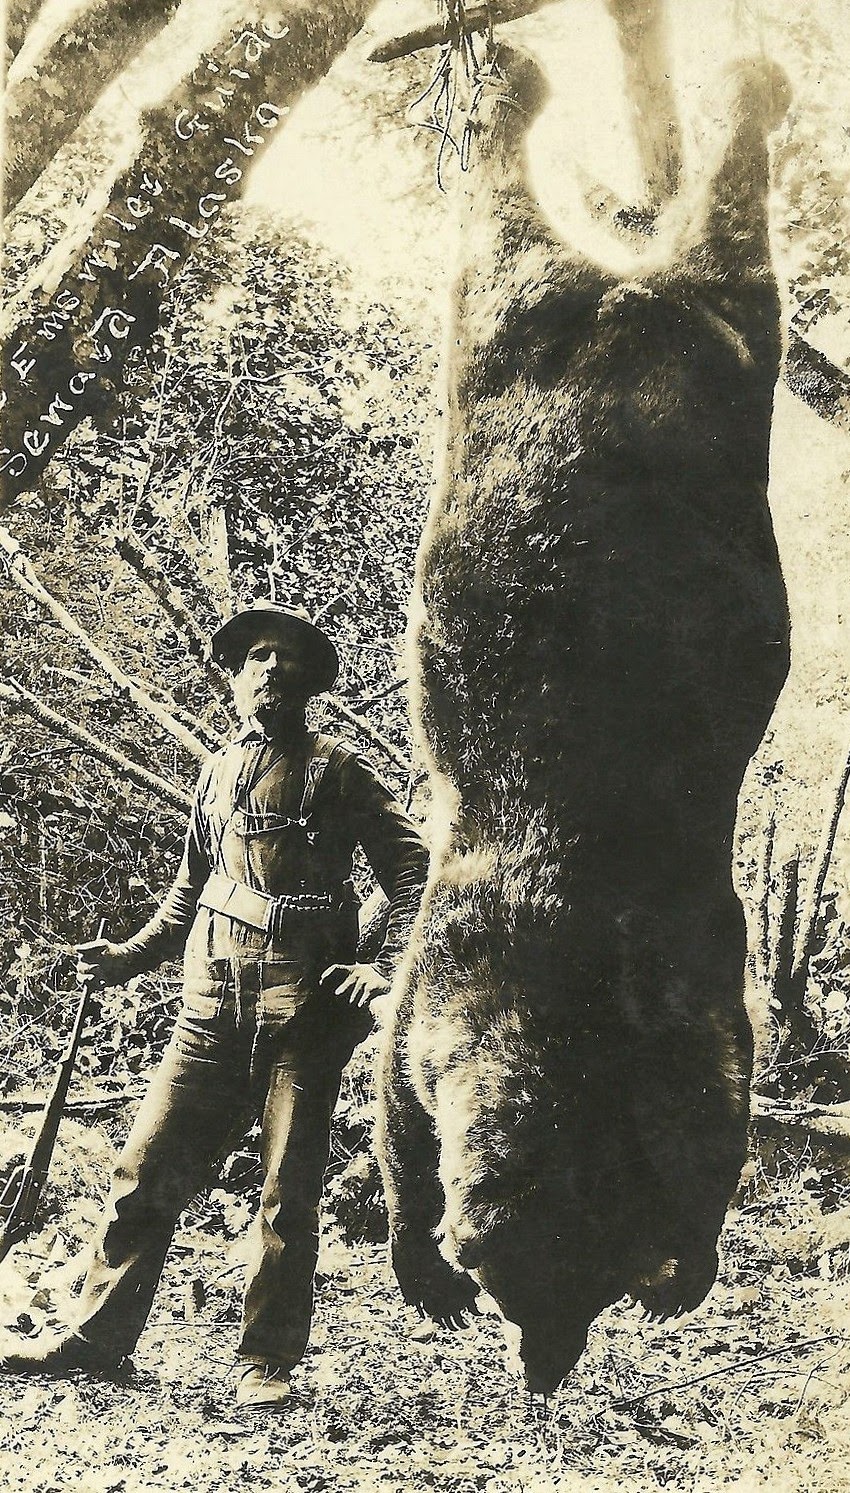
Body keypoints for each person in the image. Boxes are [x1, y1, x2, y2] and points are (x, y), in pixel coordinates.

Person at [1, 601, 429, 1409]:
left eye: (287, 657)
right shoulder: (215, 772)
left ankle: (266, 1360)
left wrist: (386, 968)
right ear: (233, 676)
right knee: (143, 1171)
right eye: (256, 655)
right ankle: (95, 1338)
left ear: (310, 682)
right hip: (209, 1010)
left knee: (286, 1196)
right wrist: (126, 957)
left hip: (304, 1013)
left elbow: (414, 867)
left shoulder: (338, 769)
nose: (271, 668)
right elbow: (188, 893)